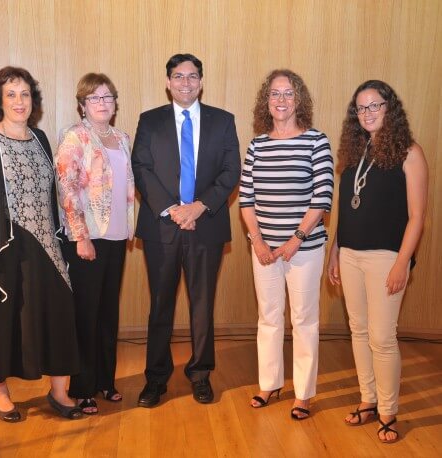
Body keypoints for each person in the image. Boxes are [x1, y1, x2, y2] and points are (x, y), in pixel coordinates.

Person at [0, 66, 82, 421]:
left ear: (34, 100)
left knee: (59, 314)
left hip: (46, 245)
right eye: (11, 94)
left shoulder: (41, 139)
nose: (19, 101)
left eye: (25, 94)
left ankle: (59, 391)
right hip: (3, 247)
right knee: (2, 320)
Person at [132, 53, 240, 407]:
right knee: (160, 305)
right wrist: (174, 209)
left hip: (205, 224)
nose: (186, 83)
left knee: (202, 304)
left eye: (192, 76)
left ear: (201, 81)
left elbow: (230, 171)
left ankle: (201, 374)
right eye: (178, 76)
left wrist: (198, 206)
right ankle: (156, 379)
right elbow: (142, 167)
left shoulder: (223, 121)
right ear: (168, 82)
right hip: (162, 226)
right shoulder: (149, 121)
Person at [328, 80, 428, 443]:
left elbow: (417, 217)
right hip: (351, 255)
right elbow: (347, 209)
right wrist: (335, 249)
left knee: (383, 338)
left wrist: (403, 263)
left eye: (375, 106)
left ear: (390, 108)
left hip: (388, 257)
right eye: (361, 108)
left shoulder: (410, 152)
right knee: (358, 331)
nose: (368, 113)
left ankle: (388, 412)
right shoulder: (356, 152)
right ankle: (368, 400)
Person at [239, 69, 333, 419]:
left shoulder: (316, 141)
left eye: (288, 93)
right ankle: (270, 382)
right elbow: (246, 200)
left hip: (304, 248)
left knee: (304, 319)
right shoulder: (257, 145)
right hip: (263, 250)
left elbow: (323, 196)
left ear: (300, 100)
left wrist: (296, 239)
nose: (281, 100)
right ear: (267, 101)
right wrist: (258, 241)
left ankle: (304, 393)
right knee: (269, 317)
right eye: (275, 94)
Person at [55, 73, 134, 415]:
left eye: (107, 97)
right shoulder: (75, 137)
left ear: (115, 103)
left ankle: (106, 381)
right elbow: (66, 189)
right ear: (82, 105)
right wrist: (81, 236)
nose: (102, 103)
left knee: (107, 312)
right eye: (94, 98)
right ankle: (83, 387)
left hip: (116, 236)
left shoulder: (121, 137)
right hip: (87, 238)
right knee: (85, 314)